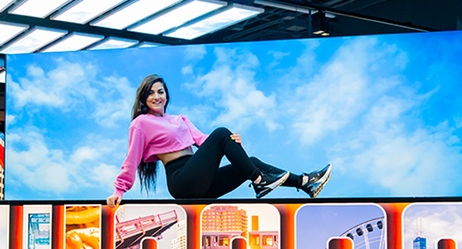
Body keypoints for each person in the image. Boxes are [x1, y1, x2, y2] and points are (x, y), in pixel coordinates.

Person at [106, 74, 331, 207]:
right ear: (144, 98)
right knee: (222, 132)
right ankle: (260, 180)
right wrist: (119, 191)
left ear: (167, 96)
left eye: (161, 92)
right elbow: (131, 159)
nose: (157, 97)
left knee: (247, 159)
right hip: (182, 180)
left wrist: (233, 142)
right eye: (151, 93)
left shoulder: (180, 119)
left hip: (201, 180)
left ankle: (304, 182)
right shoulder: (141, 123)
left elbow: (204, 141)